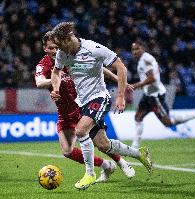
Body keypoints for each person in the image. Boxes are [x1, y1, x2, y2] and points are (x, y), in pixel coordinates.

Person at [50, 22, 152, 190]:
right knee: (103, 144)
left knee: (80, 130)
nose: (60, 50)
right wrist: (55, 88)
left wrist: (120, 96)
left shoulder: (94, 48)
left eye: (61, 45)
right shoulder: (62, 53)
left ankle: (89, 174)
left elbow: (121, 67)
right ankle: (138, 153)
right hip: (83, 102)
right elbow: (56, 72)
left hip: (99, 97)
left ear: (69, 38)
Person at [35, 31, 136, 183]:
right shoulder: (44, 65)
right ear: (45, 49)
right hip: (64, 113)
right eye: (51, 48)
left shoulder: (68, 55)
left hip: (81, 106)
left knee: (99, 142)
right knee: (67, 152)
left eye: (56, 47)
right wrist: (55, 80)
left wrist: (117, 79)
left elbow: (98, 66)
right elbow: (39, 82)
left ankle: (122, 162)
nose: (55, 50)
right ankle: (105, 165)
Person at [130, 41, 195, 149]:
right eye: (133, 50)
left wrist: (137, 85)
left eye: (137, 49)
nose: (134, 52)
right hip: (148, 94)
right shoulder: (146, 58)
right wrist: (143, 84)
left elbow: (152, 78)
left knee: (168, 122)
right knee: (138, 117)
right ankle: (135, 147)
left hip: (155, 96)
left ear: (143, 48)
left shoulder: (145, 61)